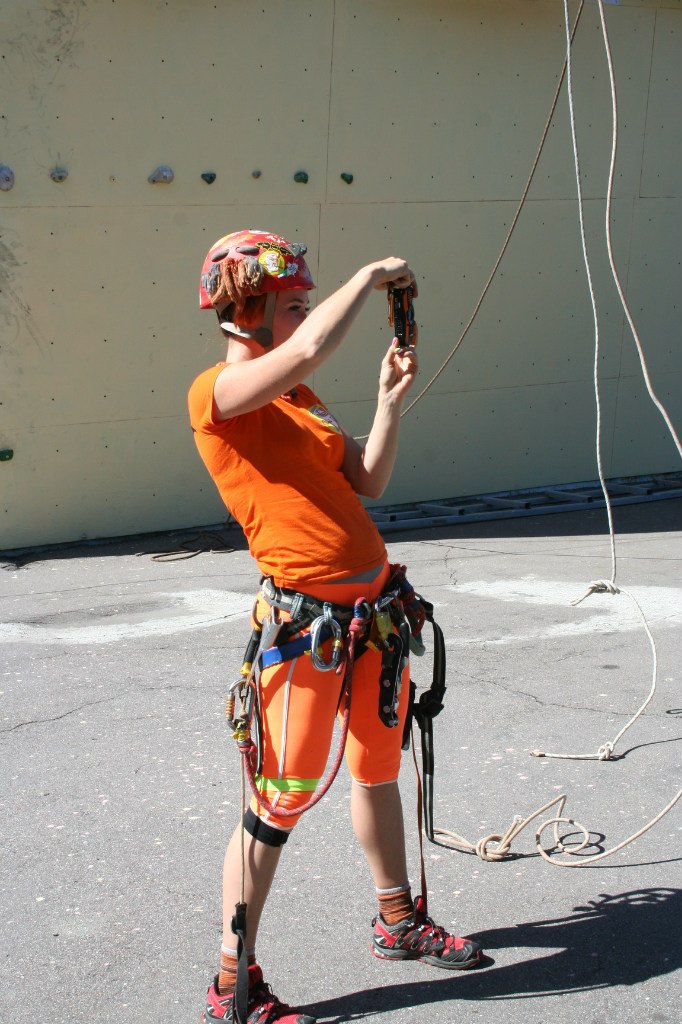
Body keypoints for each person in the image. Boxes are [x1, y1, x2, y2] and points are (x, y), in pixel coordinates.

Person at [188, 230, 482, 1024]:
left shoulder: (299, 400)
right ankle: (231, 982)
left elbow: (370, 480)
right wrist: (374, 273)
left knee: (377, 772)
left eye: (304, 304)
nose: (306, 315)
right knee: (277, 801)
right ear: (246, 309)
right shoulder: (218, 394)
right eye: (293, 303)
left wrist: (388, 403)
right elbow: (315, 346)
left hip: (372, 619)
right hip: (305, 626)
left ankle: (398, 920)